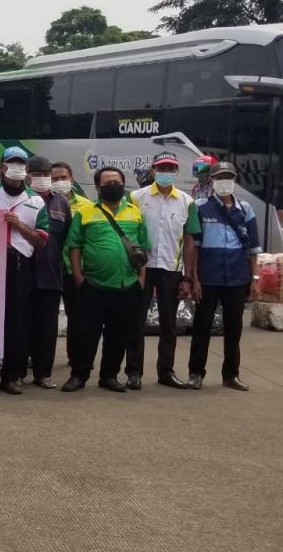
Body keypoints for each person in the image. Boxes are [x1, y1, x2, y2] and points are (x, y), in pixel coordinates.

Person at [62, 167, 149, 393]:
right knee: (86, 334)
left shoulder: (135, 212)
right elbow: (74, 246)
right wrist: (79, 277)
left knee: (118, 334)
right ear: (98, 187)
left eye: (118, 182)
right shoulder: (86, 212)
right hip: (93, 284)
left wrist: (141, 278)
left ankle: (109, 376)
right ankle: (78, 376)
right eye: (109, 182)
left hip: (127, 285)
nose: (114, 186)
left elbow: (143, 247)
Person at [0, 147, 48, 394]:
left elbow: (41, 242)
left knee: (18, 323)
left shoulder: (36, 201)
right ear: (2, 167)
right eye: (11, 163)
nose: (17, 168)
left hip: (20, 265)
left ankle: (11, 377)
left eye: (21, 164)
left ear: (26, 170)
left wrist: (20, 227)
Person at [127, 152, 198, 389]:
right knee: (135, 320)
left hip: (171, 269)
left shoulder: (187, 202)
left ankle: (165, 372)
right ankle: (133, 372)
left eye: (170, 168)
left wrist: (188, 277)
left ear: (176, 171)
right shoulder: (137, 197)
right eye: (161, 168)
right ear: (153, 171)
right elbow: (129, 233)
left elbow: (189, 242)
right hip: (142, 268)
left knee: (169, 323)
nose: (166, 172)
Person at [187, 162, 260, 391]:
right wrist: (194, 279)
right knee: (202, 326)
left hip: (237, 278)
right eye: (220, 177)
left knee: (234, 327)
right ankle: (196, 373)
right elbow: (195, 247)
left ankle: (231, 375)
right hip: (208, 277)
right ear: (212, 180)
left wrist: (255, 280)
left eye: (229, 177)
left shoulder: (245, 209)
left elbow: (254, 249)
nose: (225, 181)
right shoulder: (200, 207)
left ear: (235, 179)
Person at [27, 155, 70, 388]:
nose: (43, 179)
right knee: (22, 325)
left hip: (51, 272)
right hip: (23, 272)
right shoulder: (22, 199)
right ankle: (16, 372)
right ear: (27, 175)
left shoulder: (61, 203)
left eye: (46, 174)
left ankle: (43, 373)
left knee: (47, 328)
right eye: (37, 174)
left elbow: (65, 236)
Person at [50, 162, 89, 367]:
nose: (59, 182)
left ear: (71, 178)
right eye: (54, 179)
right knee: (46, 316)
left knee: (78, 315)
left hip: (74, 268)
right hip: (49, 268)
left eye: (62, 178)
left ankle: (77, 357)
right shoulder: (45, 202)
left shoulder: (85, 205)